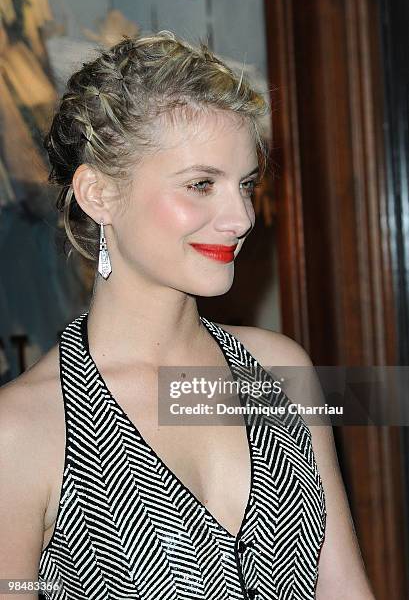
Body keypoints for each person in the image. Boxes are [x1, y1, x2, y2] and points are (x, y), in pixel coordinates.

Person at [0, 31, 375, 600]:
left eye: (245, 184)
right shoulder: (22, 429)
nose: (241, 218)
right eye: (202, 184)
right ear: (98, 193)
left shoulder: (279, 370)